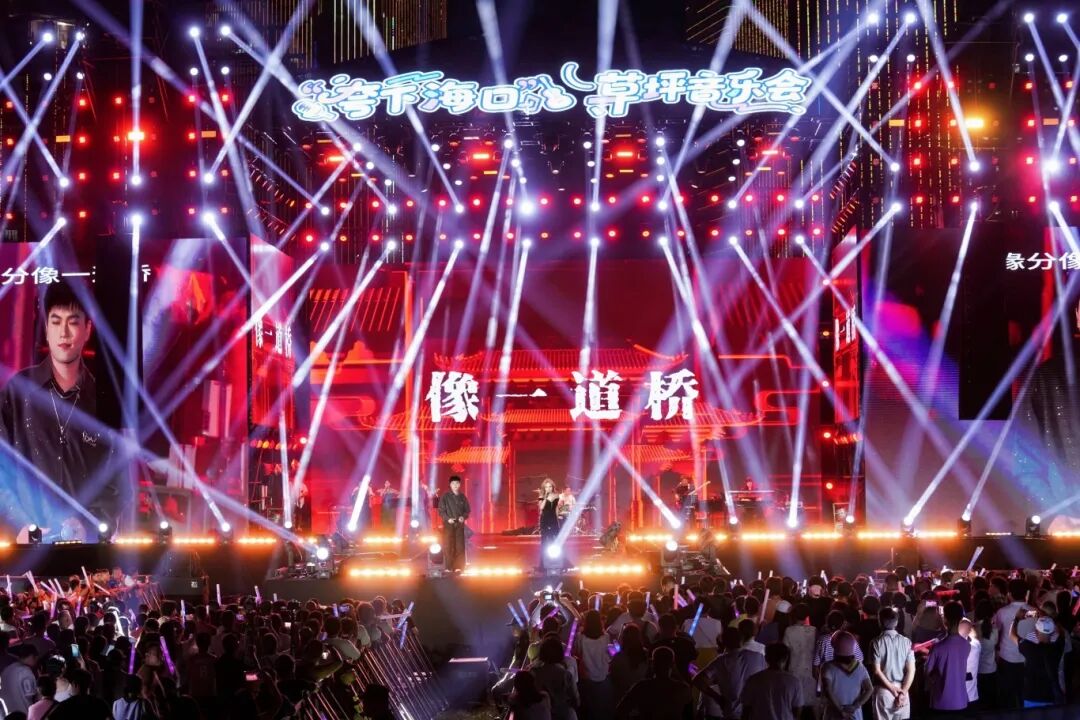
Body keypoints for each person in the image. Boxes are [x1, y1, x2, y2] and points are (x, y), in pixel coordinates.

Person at [0, 281, 120, 537]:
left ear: (87, 329)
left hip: (85, 547)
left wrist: (88, 524)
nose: (64, 333)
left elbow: (117, 484)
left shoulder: (104, 400)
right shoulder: (17, 391)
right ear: (46, 329)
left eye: (73, 322)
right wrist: (19, 524)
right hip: (23, 543)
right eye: (56, 322)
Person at [693, 626, 766, 720]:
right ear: (742, 640)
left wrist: (718, 699)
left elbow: (698, 681)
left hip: (733, 714)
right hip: (755, 713)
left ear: (724, 643)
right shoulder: (758, 657)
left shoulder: (721, 661)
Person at [616, 646, 693, 720]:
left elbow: (620, 711)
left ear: (652, 664)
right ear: (672, 665)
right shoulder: (681, 688)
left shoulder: (641, 687)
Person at [925, 601, 972, 714]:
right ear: (961, 618)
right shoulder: (966, 645)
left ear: (944, 619)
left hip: (940, 702)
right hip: (960, 700)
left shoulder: (937, 647)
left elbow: (928, 673)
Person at [992, 578, 1032, 709]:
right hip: (1027, 658)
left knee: (1007, 695)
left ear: (1009, 594)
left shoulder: (1002, 612)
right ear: (1026, 593)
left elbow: (996, 632)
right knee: (1023, 692)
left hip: (1007, 657)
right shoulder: (1034, 611)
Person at [869, 607, 914, 720]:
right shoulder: (907, 642)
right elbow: (911, 670)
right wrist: (903, 692)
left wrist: (892, 689)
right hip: (902, 690)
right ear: (897, 622)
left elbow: (877, 671)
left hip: (883, 690)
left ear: (880, 621)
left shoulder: (876, 642)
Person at [740, 643, 801, 720]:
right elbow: (797, 711)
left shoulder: (753, 680)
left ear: (766, 658)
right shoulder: (794, 681)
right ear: (786, 658)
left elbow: (746, 710)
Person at [820, 631, 873, 720]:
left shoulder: (827, 667)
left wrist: (841, 710)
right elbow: (869, 689)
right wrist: (855, 706)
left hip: (833, 714)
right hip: (855, 715)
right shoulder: (860, 667)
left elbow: (827, 690)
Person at [1017, 614, 1066, 708]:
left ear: (1036, 631)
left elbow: (1012, 635)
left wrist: (1016, 619)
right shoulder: (1058, 648)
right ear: (1052, 632)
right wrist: (1053, 623)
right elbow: (1061, 634)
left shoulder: (1028, 647)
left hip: (1031, 695)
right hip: (1049, 695)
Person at [529, 635, 579, 720]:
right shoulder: (566, 674)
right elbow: (576, 700)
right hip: (564, 714)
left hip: (542, 715)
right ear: (560, 653)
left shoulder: (534, 672)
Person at [782, 603, 817, 712]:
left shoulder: (789, 631)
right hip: (810, 671)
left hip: (794, 669)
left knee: (796, 703)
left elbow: (785, 652)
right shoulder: (814, 630)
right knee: (810, 705)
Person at [437, 476, 470, 572]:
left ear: (459, 484)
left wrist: (463, 517)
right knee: (448, 545)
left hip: (459, 524)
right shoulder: (445, 496)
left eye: (457, 483)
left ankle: (459, 567)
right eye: (453, 483)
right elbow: (441, 510)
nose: (455, 485)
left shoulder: (462, 497)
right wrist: (448, 519)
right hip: (449, 525)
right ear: (450, 485)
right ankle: (449, 567)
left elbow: (467, 510)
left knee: (459, 546)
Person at [973, 599, 998, 710]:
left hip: (977, 671)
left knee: (979, 704)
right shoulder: (994, 630)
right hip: (991, 670)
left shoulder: (973, 629)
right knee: (991, 704)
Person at [0, 644, 38, 716]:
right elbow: (31, 696)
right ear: (32, 656)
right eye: (36, 658)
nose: (36, 662)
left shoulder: (6, 670)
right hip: (25, 714)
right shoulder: (26, 671)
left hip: (9, 715)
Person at [537, 478, 561, 569]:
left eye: (550, 486)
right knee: (544, 541)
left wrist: (558, 518)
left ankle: (556, 561)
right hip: (545, 520)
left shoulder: (556, 496)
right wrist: (546, 498)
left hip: (553, 519)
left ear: (552, 487)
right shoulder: (541, 496)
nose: (548, 488)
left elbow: (556, 508)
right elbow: (541, 507)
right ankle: (543, 563)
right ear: (544, 488)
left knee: (555, 540)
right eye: (546, 487)